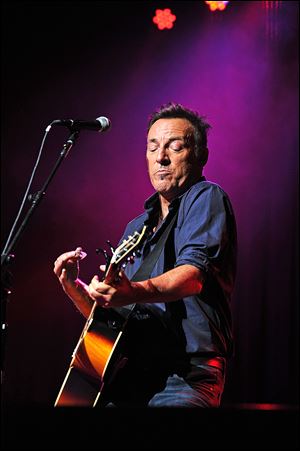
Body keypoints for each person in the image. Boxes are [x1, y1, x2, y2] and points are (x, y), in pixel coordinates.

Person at [53, 102, 237, 408]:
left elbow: (192, 277)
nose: (161, 157)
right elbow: (114, 323)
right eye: (153, 148)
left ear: (201, 156)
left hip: (184, 375)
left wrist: (133, 291)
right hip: (133, 374)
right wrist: (77, 290)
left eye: (174, 147)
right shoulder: (138, 227)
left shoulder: (205, 197)